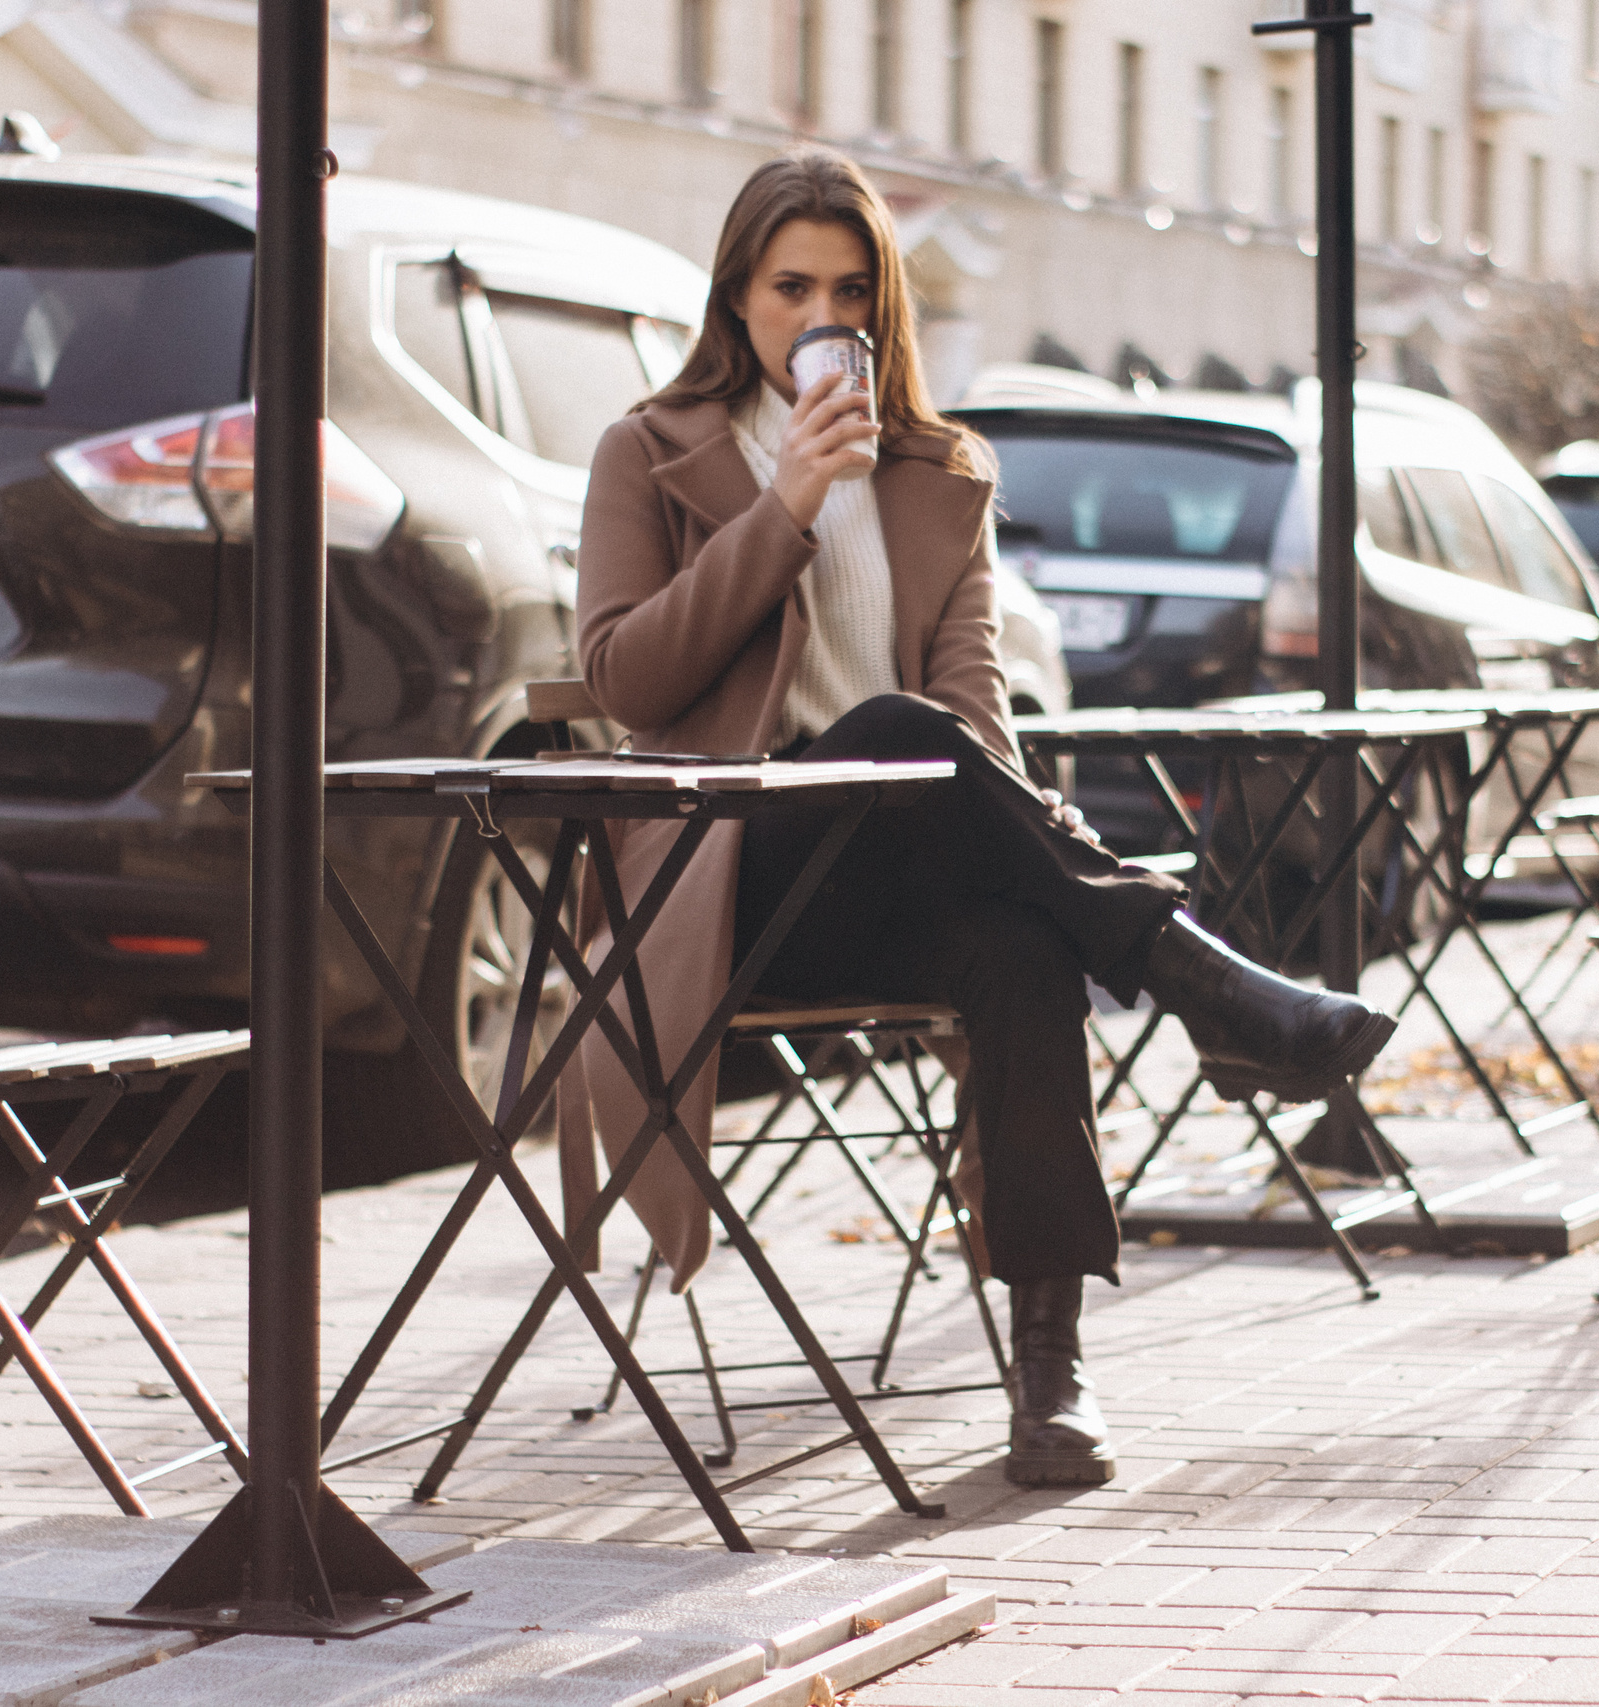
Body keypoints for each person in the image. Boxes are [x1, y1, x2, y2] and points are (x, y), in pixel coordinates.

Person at [564, 148, 1395, 1488]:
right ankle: (1200, 980)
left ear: (882, 308)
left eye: (847, 287)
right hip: (730, 891)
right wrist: (786, 508)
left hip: (893, 884)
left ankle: (1050, 1375)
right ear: (735, 300)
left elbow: (978, 713)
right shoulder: (649, 452)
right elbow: (626, 676)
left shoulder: (945, 473)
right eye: (788, 286)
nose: (814, 313)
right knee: (898, 733)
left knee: (1021, 946)